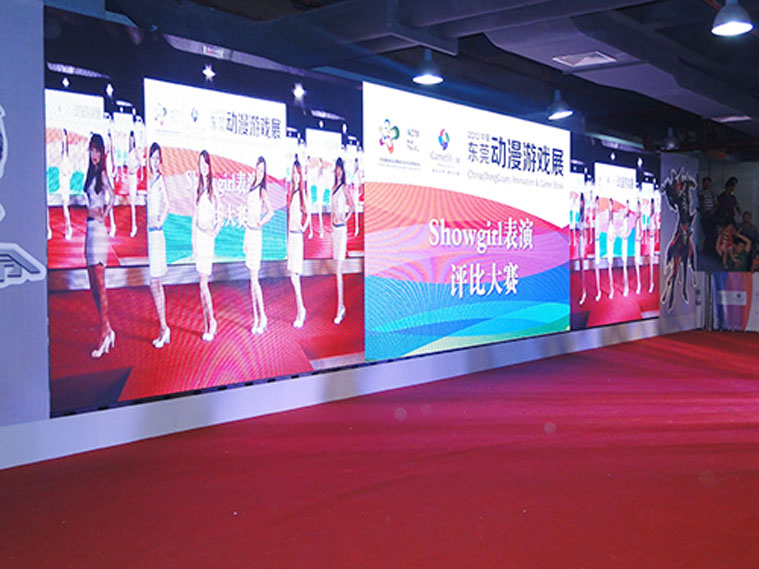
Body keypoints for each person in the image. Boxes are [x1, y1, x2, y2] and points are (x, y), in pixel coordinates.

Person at [83, 134, 116, 358]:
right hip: (89, 230)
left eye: (98, 150)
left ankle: (104, 333)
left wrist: (104, 212)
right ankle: (108, 329)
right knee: (93, 284)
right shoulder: (91, 173)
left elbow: (112, 196)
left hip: (98, 231)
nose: (95, 154)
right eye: (92, 150)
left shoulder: (102, 174)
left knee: (100, 283)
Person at [244, 156, 274, 335]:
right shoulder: (252, 187)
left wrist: (260, 223)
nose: (260, 172)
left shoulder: (262, 190)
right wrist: (245, 239)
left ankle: (263, 317)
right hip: (249, 233)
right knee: (251, 279)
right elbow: (248, 213)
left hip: (256, 235)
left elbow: (270, 212)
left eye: (263, 170)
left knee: (255, 280)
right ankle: (256, 318)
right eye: (258, 168)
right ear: (255, 169)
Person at [193, 150, 220, 341]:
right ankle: (207, 323)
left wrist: (214, 231)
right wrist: (194, 244)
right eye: (200, 164)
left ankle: (212, 322)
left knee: (203, 284)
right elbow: (195, 219)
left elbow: (222, 213)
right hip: (198, 239)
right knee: (201, 285)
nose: (203, 167)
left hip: (207, 240)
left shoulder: (212, 187)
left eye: (206, 164)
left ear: (209, 166)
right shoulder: (198, 188)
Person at [146, 142, 171, 348]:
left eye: (157, 158)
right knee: (154, 283)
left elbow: (167, 205)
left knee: (155, 282)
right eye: (152, 157)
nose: (154, 161)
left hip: (156, 235)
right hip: (147, 236)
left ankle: (164, 328)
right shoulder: (146, 179)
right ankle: (164, 327)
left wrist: (159, 221)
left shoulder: (160, 180)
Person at [330, 157, 354, 324]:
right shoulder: (333, 188)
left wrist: (345, 218)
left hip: (341, 230)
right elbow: (332, 209)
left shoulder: (345, 187)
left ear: (343, 171)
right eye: (337, 168)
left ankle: (340, 308)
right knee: (336, 270)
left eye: (340, 168)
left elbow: (352, 206)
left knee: (338, 270)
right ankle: (341, 306)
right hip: (334, 230)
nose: (338, 171)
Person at [288, 159, 310, 328]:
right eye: (294, 173)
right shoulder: (291, 193)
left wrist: (303, 226)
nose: (296, 176)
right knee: (292, 275)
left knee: (295, 275)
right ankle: (301, 308)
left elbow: (308, 213)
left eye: (298, 173)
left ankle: (301, 310)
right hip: (291, 236)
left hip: (297, 237)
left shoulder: (302, 193)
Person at [698, 177, 717, 256]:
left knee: (712, 234)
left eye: (708, 183)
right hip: (704, 216)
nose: (707, 184)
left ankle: (711, 251)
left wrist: (712, 211)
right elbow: (700, 204)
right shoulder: (700, 193)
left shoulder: (712, 193)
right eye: (705, 183)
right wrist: (704, 213)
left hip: (711, 216)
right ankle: (707, 250)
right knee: (707, 234)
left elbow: (716, 204)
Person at [60, 128, 73, 240]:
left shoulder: (67, 159)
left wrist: (66, 176)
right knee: (64, 207)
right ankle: (67, 227)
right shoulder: (61, 158)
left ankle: (68, 228)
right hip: (62, 183)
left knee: (65, 207)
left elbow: (70, 172)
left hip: (65, 184)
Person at [126, 130, 140, 238]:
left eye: (132, 139)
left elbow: (139, 163)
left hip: (133, 177)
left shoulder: (135, 151)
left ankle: (134, 226)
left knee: (133, 202)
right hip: (129, 178)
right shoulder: (128, 152)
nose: (131, 141)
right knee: (131, 201)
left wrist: (135, 169)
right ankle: (133, 225)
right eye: (129, 140)